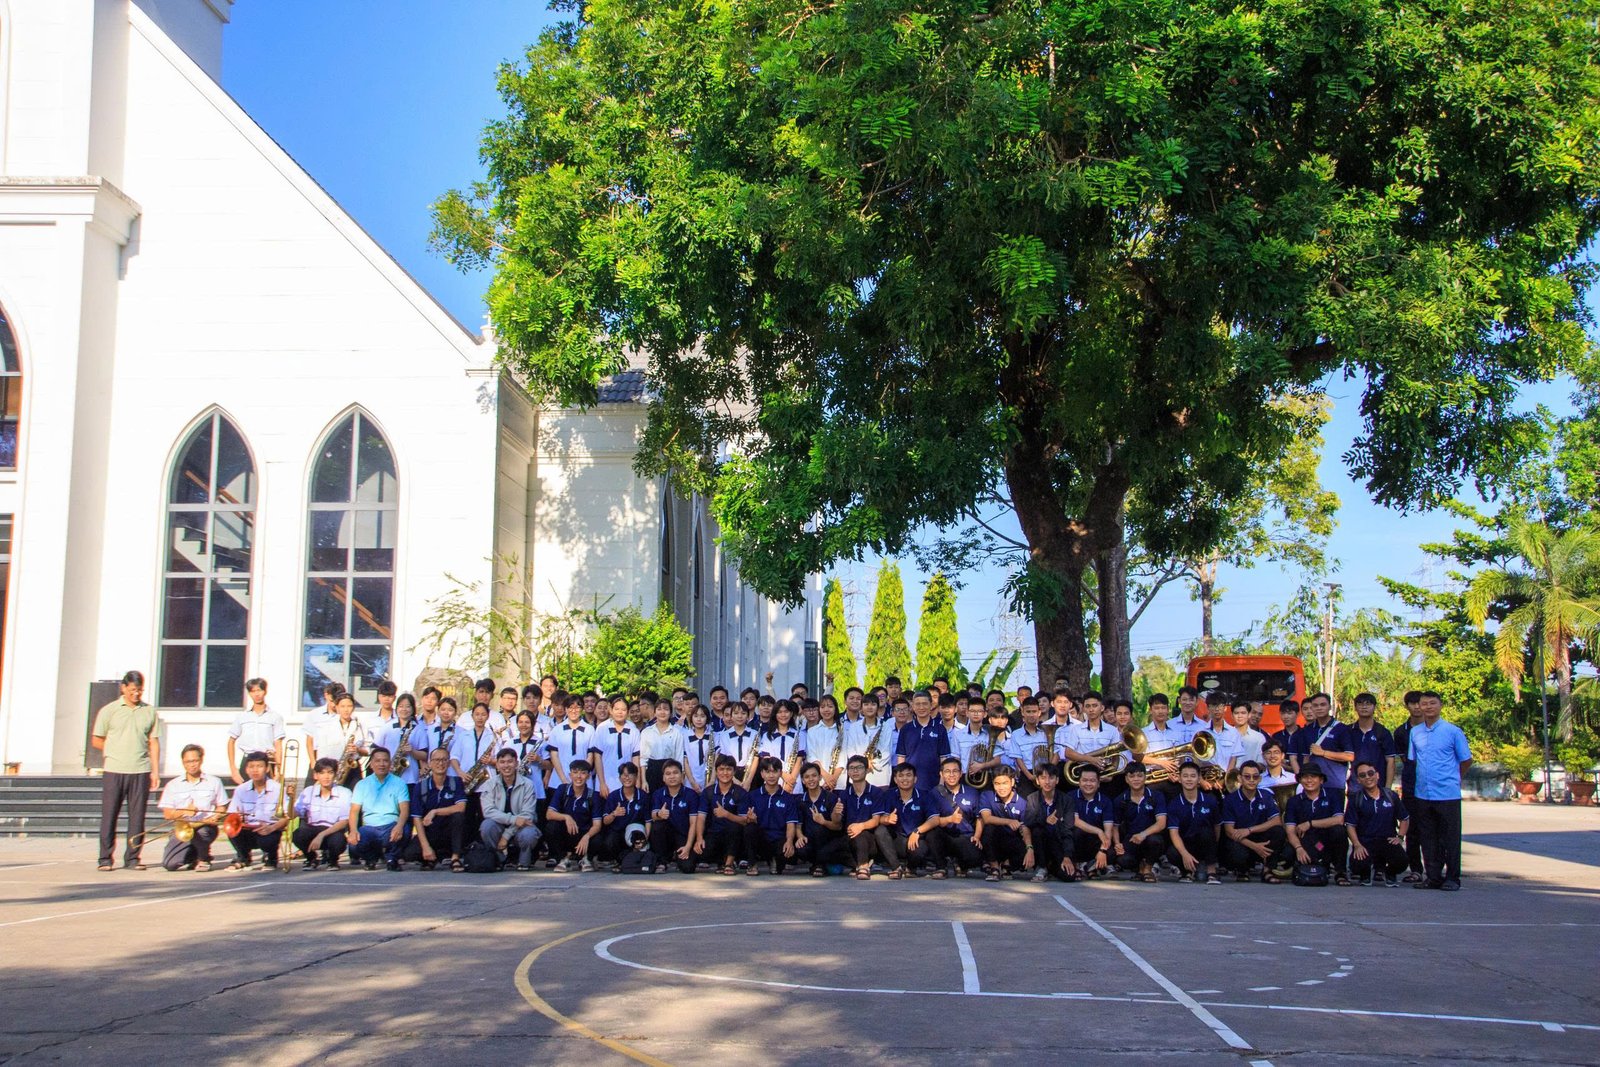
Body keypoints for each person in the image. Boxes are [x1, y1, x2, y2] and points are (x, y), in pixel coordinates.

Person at [93, 670, 161, 871]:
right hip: (114, 770)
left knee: (137, 817)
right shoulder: (109, 710)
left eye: (139, 690)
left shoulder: (149, 711)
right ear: (123, 688)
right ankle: (105, 858)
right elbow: (96, 739)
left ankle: (132, 858)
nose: (136, 694)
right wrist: (113, 750)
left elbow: (154, 742)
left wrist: (155, 771)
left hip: (140, 770)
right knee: (109, 815)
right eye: (132, 690)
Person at [1407, 691, 1471, 891]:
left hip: (1447, 794)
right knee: (1428, 838)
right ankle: (1433, 877)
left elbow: (1466, 760)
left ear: (1440, 705)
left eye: (1432, 703)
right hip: (1423, 793)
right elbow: (1413, 759)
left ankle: (1452, 878)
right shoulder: (1415, 733)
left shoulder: (1452, 731)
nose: (1428, 707)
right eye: (1424, 703)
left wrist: (1455, 779)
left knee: (1450, 838)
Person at [156, 744, 229, 872]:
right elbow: (167, 814)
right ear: (183, 762)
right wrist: (184, 811)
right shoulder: (173, 785)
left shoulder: (214, 781)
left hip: (206, 826)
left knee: (202, 833)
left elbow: (222, 807)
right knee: (170, 864)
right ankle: (194, 856)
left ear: (201, 760)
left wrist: (216, 815)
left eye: (195, 761)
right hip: (183, 828)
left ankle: (203, 858)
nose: (192, 765)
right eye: (188, 762)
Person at [1220, 761, 1289, 882]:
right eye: (1247, 777)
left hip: (1258, 836)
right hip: (1241, 841)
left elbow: (1277, 821)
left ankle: (1268, 870)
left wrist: (1249, 830)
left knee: (1278, 832)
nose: (1251, 780)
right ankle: (1242, 871)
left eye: (1255, 777)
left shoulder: (1266, 795)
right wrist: (1255, 847)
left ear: (1260, 779)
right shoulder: (1230, 800)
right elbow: (1229, 831)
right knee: (1235, 850)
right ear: (1239, 778)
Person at [345, 747, 411, 871]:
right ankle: (371, 859)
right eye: (378, 761)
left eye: (385, 761)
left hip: (391, 826)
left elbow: (404, 810)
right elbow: (354, 811)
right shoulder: (362, 784)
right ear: (371, 764)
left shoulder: (399, 783)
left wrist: (399, 826)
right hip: (370, 827)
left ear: (390, 763)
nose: (382, 764)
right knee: (354, 845)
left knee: (405, 830)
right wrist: (353, 831)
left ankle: (392, 859)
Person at [1346, 761, 1410, 886]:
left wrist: (1400, 837)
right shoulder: (1356, 799)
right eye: (1362, 775)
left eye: (1370, 773)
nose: (1368, 777)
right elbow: (1350, 825)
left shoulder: (1391, 796)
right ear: (1358, 780)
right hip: (1365, 841)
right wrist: (1357, 845)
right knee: (1356, 865)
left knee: (1402, 861)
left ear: (1377, 775)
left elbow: (1404, 818)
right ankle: (1365, 875)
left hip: (1387, 840)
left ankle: (1389, 873)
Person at [1285, 764, 1350, 885]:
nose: (1309, 780)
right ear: (1300, 780)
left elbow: (1339, 820)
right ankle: (1312, 866)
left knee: (1339, 831)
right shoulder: (1294, 801)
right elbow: (1290, 830)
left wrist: (1310, 824)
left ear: (1321, 780)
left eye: (1313, 777)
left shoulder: (1333, 796)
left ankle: (1340, 872)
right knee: (1288, 853)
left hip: (1327, 840)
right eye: (1305, 777)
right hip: (1306, 841)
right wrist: (1299, 848)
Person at [481, 748, 542, 870]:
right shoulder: (489, 784)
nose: (506, 766)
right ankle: (498, 860)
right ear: (497, 765)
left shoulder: (528, 784)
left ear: (516, 763)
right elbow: (488, 811)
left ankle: (523, 862)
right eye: (502, 762)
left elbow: (527, 815)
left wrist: (506, 836)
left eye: (510, 761)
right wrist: (513, 819)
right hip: (500, 824)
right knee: (487, 826)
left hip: (522, 826)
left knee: (529, 833)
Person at [225, 751, 287, 870]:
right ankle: (243, 857)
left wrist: (272, 828)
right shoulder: (241, 789)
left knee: (269, 840)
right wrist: (238, 818)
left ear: (267, 768)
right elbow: (232, 813)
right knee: (232, 830)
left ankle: (272, 858)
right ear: (246, 770)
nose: (255, 770)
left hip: (269, 830)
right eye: (251, 767)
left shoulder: (278, 789)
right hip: (249, 829)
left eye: (259, 766)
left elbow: (287, 817)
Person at [882, 762, 944, 878]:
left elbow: (935, 819)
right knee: (880, 830)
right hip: (897, 841)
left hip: (917, 838)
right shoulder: (889, 795)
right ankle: (896, 868)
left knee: (930, 837)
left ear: (915, 779)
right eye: (901, 776)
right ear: (895, 780)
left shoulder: (925, 795)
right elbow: (880, 819)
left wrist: (917, 831)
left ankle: (911, 868)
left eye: (908, 775)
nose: (905, 779)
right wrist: (887, 819)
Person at [408, 748, 467, 871]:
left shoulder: (456, 782)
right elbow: (417, 818)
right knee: (410, 853)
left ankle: (455, 857)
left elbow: (461, 807)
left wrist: (434, 811)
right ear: (430, 763)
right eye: (437, 760)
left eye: (444, 760)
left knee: (458, 816)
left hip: (449, 831)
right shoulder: (420, 786)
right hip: (431, 831)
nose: (440, 763)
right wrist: (425, 847)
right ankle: (433, 856)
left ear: (449, 763)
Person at [1391, 690, 1427, 881]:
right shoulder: (1400, 732)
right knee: (1412, 828)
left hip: (1433, 786)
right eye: (1412, 703)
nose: (1416, 707)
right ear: (1407, 706)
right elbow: (1405, 759)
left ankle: (1436, 869)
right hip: (1411, 783)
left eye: (1419, 703)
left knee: (1432, 829)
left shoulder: (1435, 728)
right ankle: (1416, 870)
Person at [1165, 762, 1222, 884]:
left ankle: (1211, 871)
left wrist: (1212, 848)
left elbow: (1217, 827)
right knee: (1172, 852)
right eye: (1185, 776)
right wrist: (1185, 854)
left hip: (1205, 842)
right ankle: (1187, 872)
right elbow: (1174, 833)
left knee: (1207, 832)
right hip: (1186, 844)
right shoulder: (1174, 804)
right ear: (1179, 779)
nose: (1189, 779)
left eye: (1193, 776)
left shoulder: (1210, 800)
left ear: (1199, 778)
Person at [839, 755, 894, 879]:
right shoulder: (844, 794)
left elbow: (876, 820)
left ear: (867, 770)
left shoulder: (876, 792)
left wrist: (861, 826)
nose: (855, 771)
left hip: (870, 840)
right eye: (852, 768)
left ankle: (863, 867)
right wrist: (836, 813)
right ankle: (858, 864)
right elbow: (837, 822)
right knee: (827, 851)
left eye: (859, 767)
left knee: (861, 834)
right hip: (849, 838)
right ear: (848, 772)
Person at [294, 757, 354, 869]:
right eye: (322, 773)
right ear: (315, 775)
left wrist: (321, 835)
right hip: (313, 829)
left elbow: (344, 821)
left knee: (338, 841)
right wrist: (290, 798)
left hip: (333, 830)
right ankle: (311, 858)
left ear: (335, 774)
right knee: (298, 835)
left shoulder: (344, 793)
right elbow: (294, 814)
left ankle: (333, 860)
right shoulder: (308, 791)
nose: (326, 777)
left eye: (330, 773)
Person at [1112, 763, 1168, 882]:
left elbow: (1161, 823)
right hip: (1131, 839)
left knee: (1155, 841)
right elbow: (1115, 826)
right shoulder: (1120, 800)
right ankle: (1139, 868)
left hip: (1151, 837)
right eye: (1132, 776)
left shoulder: (1156, 796)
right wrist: (1117, 843)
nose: (1136, 779)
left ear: (1145, 777)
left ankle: (1148, 868)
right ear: (1126, 779)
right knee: (1123, 860)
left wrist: (1143, 834)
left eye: (1139, 776)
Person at [698, 756, 754, 873]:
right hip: (713, 834)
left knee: (734, 827)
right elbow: (701, 818)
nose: (725, 773)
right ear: (716, 771)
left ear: (734, 772)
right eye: (721, 769)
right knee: (689, 864)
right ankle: (720, 862)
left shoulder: (741, 793)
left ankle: (729, 863)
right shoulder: (708, 792)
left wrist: (726, 814)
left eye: (728, 769)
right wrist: (699, 838)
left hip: (734, 836)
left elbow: (744, 821)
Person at [930, 756, 985, 877]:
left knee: (974, 858)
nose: (951, 775)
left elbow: (979, 817)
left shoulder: (972, 792)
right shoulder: (935, 793)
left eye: (955, 771)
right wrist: (949, 819)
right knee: (932, 833)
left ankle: (960, 864)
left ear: (961, 774)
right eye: (947, 771)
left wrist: (977, 836)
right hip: (944, 836)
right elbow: (932, 820)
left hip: (965, 836)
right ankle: (941, 867)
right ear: (941, 774)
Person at [545, 760, 603, 871]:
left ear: (588, 776)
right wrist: (566, 817)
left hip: (584, 834)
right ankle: (563, 859)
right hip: (567, 833)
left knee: (598, 838)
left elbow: (597, 825)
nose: (579, 776)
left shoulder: (593, 795)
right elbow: (549, 814)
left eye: (583, 773)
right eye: (575, 772)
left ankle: (586, 859)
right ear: (570, 775)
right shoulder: (562, 789)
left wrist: (587, 836)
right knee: (551, 827)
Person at [978, 766, 1033, 881]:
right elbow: (986, 818)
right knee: (989, 829)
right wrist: (1009, 821)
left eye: (1005, 783)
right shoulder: (987, 795)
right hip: (994, 839)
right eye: (997, 784)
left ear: (1012, 782)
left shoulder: (1022, 802)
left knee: (1026, 854)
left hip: (1011, 840)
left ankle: (1007, 864)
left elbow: (1025, 827)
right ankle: (994, 866)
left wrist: (1029, 848)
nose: (1001, 787)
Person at [1023, 762, 1075, 882]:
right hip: (1040, 844)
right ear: (1037, 781)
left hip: (1058, 843)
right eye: (1043, 778)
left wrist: (1067, 856)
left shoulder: (1066, 800)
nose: (1047, 782)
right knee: (1037, 830)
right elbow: (1029, 822)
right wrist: (1045, 820)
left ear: (1057, 780)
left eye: (1051, 778)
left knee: (1069, 877)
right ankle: (1041, 867)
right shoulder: (1032, 798)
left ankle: (1052, 867)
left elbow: (1068, 829)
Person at [747, 757, 799, 875]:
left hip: (779, 839)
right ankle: (752, 864)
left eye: (775, 771)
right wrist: (752, 820)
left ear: (780, 773)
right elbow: (745, 819)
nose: (771, 775)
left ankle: (774, 860)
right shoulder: (753, 795)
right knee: (750, 829)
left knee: (779, 867)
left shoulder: (788, 798)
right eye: (767, 771)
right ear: (762, 774)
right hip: (761, 839)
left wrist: (789, 841)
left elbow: (791, 824)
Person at [227, 679, 284, 784]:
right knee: (246, 792)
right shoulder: (242, 716)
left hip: (267, 760)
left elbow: (278, 744)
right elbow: (231, 741)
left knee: (268, 792)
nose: (257, 694)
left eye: (259, 690)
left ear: (265, 691)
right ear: (249, 693)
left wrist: (278, 769)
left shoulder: (275, 717)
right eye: (253, 691)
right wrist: (233, 769)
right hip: (248, 760)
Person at [795, 762, 848, 875]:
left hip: (829, 840)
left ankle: (819, 865)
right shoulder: (800, 800)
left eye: (814, 776)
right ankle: (818, 864)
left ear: (820, 777)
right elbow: (798, 825)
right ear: (803, 781)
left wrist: (823, 822)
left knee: (819, 830)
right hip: (810, 840)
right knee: (800, 850)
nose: (811, 779)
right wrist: (800, 836)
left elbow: (838, 827)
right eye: (807, 777)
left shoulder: (831, 798)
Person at [895, 689, 953, 792]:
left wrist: (942, 782)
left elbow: (943, 758)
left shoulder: (940, 729)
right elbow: (901, 758)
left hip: (934, 783)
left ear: (931, 705)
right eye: (918, 704)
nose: (921, 707)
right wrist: (901, 781)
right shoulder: (906, 729)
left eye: (925, 704)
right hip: (910, 784)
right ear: (913, 707)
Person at [597, 763, 652, 867]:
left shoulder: (643, 796)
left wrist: (645, 839)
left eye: (630, 774)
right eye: (624, 775)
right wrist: (614, 814)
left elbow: (648, 821)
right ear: (620, 778)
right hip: (619, 833)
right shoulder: (613, 796)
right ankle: (618, 860)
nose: (627, 778)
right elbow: (605, 821)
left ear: (636, 776)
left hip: (636, 834)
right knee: (610, 841)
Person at [313, 693, 371, 790]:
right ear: (337, 707)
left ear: (353, 707)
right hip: (332, 768)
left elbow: (368, 750)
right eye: (342, 706)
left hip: (353, 767)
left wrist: (357, 750)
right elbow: (321, 751)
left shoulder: (360, 725)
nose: (346, 710)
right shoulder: (326, 726)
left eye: (349, 706)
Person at [1305, 692, 1355, 802]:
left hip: (1334, 784)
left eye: (1323, 705)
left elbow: (1349, 756)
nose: (1319, 708)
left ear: (1329, 707)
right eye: (1315, 705)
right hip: (1312, 785)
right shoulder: (1308, 730)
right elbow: (1306, 757)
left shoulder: (1341, 729)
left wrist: (1323, 753)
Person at [1068, 765, 1115, 879]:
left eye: (1092, 781)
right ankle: (1078, 865)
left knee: (1111, 854)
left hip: (1095, 842)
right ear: (1079, 782)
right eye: (1084, 780)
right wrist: (1098, 831)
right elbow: (1075, 821)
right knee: (1077, 832)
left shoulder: (1105, 801)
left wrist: (1103, 850)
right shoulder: (1070, 797)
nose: (1088, 784)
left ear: (1098, 783)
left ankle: (1091, 866)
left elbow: (1108, 830)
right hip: (1076, 840)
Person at [593, 695, 643, 796]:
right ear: (611, 710)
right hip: (606, 783)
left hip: (627, 784)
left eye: (623, 710)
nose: (620, 712)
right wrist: (602, 783)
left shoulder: (633, 731)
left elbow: (635, 758)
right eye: (616, 709)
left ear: (627, 712)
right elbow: (597, 757)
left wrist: (637, 781)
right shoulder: (602, 729)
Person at [545, 695, 597, 789]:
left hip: (583, 782)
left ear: (582, 709)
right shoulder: (557, 730)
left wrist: (581, 777)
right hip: (558, 781)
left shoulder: (589, 730)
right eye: (570, 707)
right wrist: (564, 780)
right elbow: (554, 756)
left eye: (577, 707)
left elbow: (590, 756)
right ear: (566, 709)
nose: (574, 711)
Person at [1349, 693, 1398, 789]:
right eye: (1360, 704)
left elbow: (1391, 761)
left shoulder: (1383, 732)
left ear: (1374, 707)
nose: (1364, 707)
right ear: (1355, 707)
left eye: (1368, 704)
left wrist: (1388, 788)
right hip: (1354, 786)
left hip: (1378, 785)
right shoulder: (1348, 731)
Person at [638, 699, 687, 792]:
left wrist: (681, 778)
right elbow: (643, 759)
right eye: (659, 709)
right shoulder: (646, 732)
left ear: (670, 713)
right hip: (652, 770)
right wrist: (644, 781)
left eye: (666, 709)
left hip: (671, 771)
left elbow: (679, 758)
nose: (662, 712)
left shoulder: (676, 732)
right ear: (655, 712)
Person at [759, 700, 807, 793]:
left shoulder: (800, 735)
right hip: (773, 778)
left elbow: (799, 760)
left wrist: (791, 781)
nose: (783, 715)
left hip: (794, 782)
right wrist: (784, 775)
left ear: (791, 714)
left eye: (786, 712)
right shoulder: (767, 736)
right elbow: (767, 759)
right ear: (775, 715)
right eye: (780, 712)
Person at [1269, 699, 1310, 775]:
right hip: (1281, 775)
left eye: (1289, 713)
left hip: (1303, 774)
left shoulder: (1305, 734)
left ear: (1297, 714)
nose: (1286, 717)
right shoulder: (1276, 736)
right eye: (1283, 713)